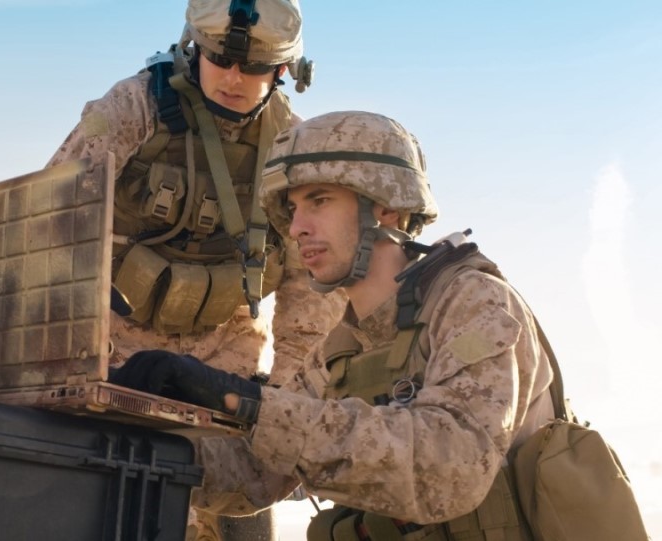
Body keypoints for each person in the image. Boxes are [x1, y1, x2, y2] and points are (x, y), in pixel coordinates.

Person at [109, 110, 560, 539]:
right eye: (291, 209)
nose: (297, 228)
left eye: (319, 202)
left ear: (385, 207)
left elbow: (450, 468)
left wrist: (246, 401)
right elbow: (255, 474)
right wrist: (131, 426)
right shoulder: (341, 347)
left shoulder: (473, 302)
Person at [46, 1, 345, 539]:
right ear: (193, 47)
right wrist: (69, 359)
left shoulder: (295, 151)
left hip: (224, 359)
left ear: (284, 71)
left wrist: (284, 398)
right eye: (218, 59)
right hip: (118, 353)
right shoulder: (132, 109)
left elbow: (312, 282)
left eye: (253, 67)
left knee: (237, 497)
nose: (233, 77)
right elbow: (51, 218)